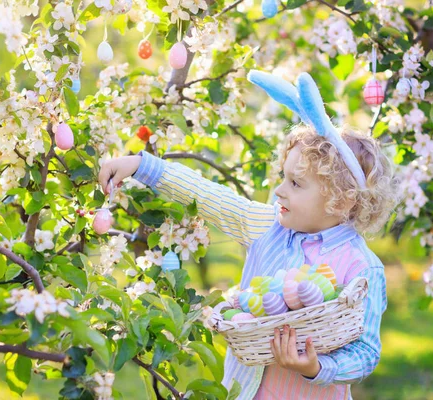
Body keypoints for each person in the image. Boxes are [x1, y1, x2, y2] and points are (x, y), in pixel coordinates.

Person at [98, 71, 401, 399]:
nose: (279, 192)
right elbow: (210, 197)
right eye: (283, 178)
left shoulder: (361, 267)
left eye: (296, 184)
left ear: (341, 200)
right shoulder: (268, 226)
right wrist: (142, 166)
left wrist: (317, 368)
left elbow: (365, 352)